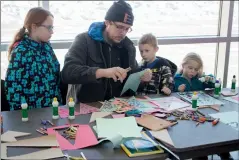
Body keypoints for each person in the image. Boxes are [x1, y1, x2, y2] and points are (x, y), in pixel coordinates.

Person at [61, 0, 151, 103]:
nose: (123, 33)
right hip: (88, 107)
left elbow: (133, 76)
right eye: (119, 27)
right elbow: (68, 73)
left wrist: (142, 78)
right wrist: (102, 72)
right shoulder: (84, 40)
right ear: (107, 22)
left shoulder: (128, 47)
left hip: (119, 107)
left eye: (127, 29)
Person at [174, 52, 233, 160]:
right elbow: (172, 96)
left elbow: (215, 83)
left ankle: (224, 152)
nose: (193, 71)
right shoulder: (176, 79)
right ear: (183, 66)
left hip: (203, 110)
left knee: (217, 128)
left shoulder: (198, 80)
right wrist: (177, 90)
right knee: (197, 136)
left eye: (196, 69)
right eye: (190, 68)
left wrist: (209, 78)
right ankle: (200, 156)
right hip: (186, 113)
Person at [5, 7, 62, 110]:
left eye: (52, 27)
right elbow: (13, 91)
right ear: (34, 27)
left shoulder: (47, 47)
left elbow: (55, 79)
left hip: (52, 110)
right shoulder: (21, 52)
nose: (52, 32)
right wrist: (23, 118)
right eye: (49, 28)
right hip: (32, 115)